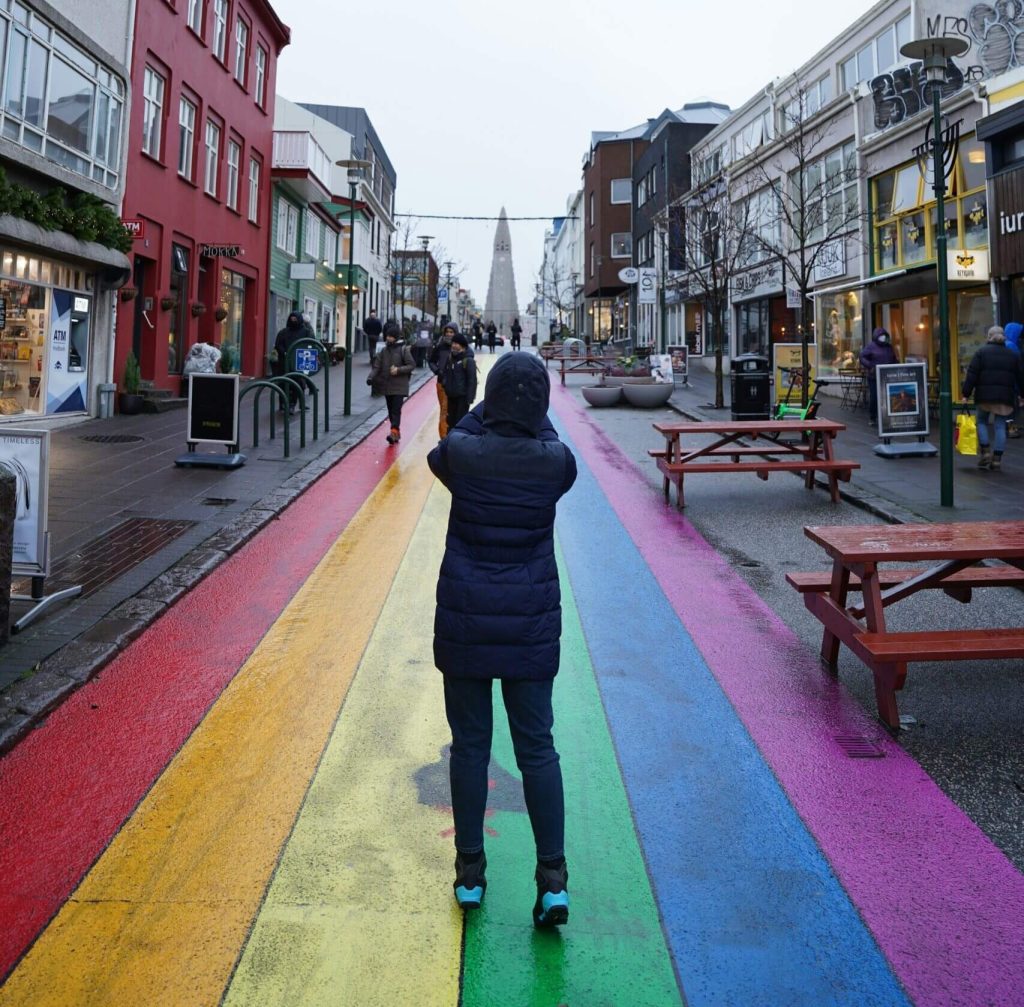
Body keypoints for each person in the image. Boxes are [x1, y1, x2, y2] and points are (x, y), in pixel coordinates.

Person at [427, 352, 577, 929]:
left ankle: (469, 874)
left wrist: (485, 407)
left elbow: (452, 438)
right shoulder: (554, 464)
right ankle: (553, 882)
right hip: (531, 625)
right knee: (537, 748)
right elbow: (550, 440)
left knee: (470, 747)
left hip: (466, 621)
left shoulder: (462, 455)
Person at [962, 325, 1024, 471]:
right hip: (1005, 397)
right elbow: (1020, 377)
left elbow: (972, 375)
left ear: (989, 337)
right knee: (1000, 426)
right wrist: (1022, 395)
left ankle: (985, 451)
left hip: (984, 396)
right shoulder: (1012, 355)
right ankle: (997, 460)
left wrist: (965, 394)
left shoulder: (981, 353)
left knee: (982, 421)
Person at [368, 320, 415, 443]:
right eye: (387, 336)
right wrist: (370, 377)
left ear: (395, 337)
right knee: (390, 410)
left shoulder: (403, 350)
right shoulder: (384, 351)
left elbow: (411, 365)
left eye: (390, 336)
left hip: (400, 386)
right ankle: (396, 432)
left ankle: (394, 432)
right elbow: (377, 366)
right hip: (387, 385)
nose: (388, 338)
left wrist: (398, 370)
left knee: (395, 409)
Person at [859, 326, 899, 425]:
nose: (883, 338)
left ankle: (887, 415)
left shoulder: (889, 347)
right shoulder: (871, 346)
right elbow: (862, 356)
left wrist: (897, 366)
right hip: (874, 377)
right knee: (874, 397)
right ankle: (873, 417)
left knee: (889, 396)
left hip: (887, 376)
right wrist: (870, 366)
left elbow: (894, 359)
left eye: (884, 336)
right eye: (881, 336)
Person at [440, 331, 477, 430]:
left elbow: (472, 380)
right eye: (453, 343)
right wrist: (445, 384)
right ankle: (450, 441)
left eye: (456, 344)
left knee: (460, 422)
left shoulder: (468, 361)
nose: (454, 346)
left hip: (462, 398)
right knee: (450, 421)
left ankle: (457, 441)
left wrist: (469, 399)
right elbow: (445, 373)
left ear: (463, 346)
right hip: (451, 396)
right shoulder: (451, 358)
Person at [273, 311, 306, 414]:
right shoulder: (283, 332)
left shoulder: (306, 332)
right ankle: (282, 403)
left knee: (297, 383)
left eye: (295, 319)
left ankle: (292, 404)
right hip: (284, 363)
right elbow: (278, 345)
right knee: (283, 383)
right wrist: (285, 353)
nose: (293, 321)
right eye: (292, 319)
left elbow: (309, 344)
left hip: (298, 362)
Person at [429, 321, 457, 438]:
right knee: (444, 411)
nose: (449, 334)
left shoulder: (459, 346)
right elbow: (431, 361)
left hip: (456, 384)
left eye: (451, 332)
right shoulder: (440, 346)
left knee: (453, 411)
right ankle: (444, 437)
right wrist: (437, 371)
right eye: (447, 332)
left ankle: (451, 435)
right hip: (442, 383)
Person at [1005, 320, 1022, 438]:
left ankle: (1009, 428)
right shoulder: (1012, 347)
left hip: (1002, 383)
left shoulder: (1003, 345)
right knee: (1012, 408)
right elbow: (1018, 369)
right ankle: (1011, 429)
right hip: (1011, 383)